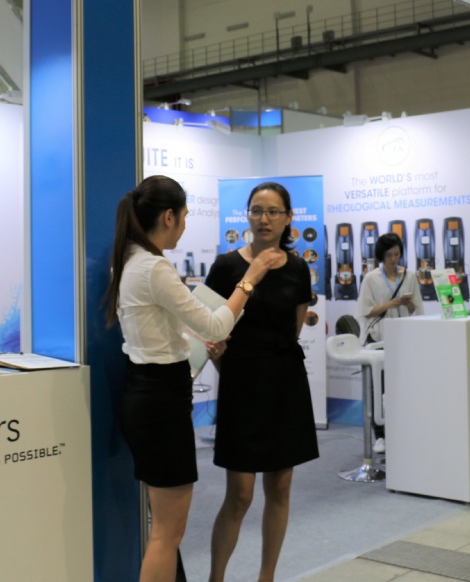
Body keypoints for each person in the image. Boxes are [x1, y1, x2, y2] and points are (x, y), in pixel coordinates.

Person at [104, 175, 282, 582]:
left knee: (163, 529)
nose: (183, 226)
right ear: (168, 217)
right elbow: (216, 325)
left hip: (145, 394)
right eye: (183, 217)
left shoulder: (129, 260)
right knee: (167, 534)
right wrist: (250, 278)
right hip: (161, 402)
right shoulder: (154, 268)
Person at [204, 181, 318, 582]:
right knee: (239, 495)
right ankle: (216, 578)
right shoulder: (226, 266)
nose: (264, 219)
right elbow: (209, 329)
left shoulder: (298, 268)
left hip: (285, 384)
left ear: (288, 218)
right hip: (241, 385)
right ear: (247, 216)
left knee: (280, 488)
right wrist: (228, 368)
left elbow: (293, 331)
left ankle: (266, 576)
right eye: (256, 210)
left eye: (273, 211)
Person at [355, 231, 419, 453]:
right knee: (377, 388)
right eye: (389, 255)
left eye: (397, 254)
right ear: (381, 256)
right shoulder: (371, 278)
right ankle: (380, 435)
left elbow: (416, 308)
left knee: (401, 387)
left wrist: (407, 303)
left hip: (402, 336)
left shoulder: (409, 276)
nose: (393, 259)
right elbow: (365, 311)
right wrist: (389, 304)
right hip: (378, 338)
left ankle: (402, 430)